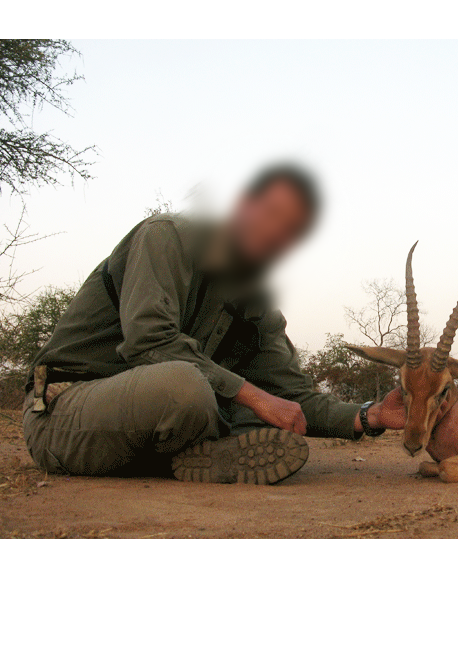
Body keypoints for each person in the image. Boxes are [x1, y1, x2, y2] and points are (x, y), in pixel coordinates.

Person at [22, 164, 406, 484]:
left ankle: (192, 457)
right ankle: (203, 451)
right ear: (243, 205)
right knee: (187, 387)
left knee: (263, 419)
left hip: (164, 421)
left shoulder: (260, 307)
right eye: (272, 214)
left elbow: (294, 400)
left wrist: (369, 415)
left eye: (290, 231)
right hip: (65, 410)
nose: (276, 233)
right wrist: (255, 397)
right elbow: (148, 343)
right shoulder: (166, 237)